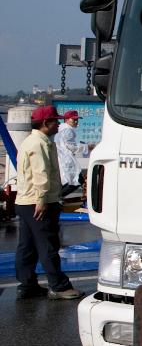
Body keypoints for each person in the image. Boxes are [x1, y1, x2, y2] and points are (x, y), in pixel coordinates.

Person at [14, 105, 81, 300]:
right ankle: (59, 286)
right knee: (47, 244)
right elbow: (40, 173)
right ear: (45, 123)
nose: (58, 124)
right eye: (55, 121)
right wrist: (42, 200)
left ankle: (27, 285)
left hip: (25, 200)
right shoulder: (39, 143)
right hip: (39, 201)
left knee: (27, 246)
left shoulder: (30, 141)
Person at [55, 109, 87, 199]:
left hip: (61, 160)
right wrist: (87, 147)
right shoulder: (68, 130)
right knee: (77, 180)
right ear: (66, 120)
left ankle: (57, 198)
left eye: (77, 119)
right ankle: (57, 198)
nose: (76, 121)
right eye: (74, 119)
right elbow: (72, 148)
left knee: (68, 181)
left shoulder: (60, 128)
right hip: (66, 161)